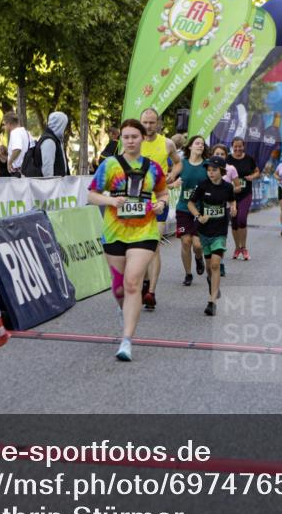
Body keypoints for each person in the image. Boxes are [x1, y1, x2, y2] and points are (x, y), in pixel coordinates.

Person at [87, 118, 170, 362]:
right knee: (120, 288)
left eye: (135, 136)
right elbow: (91, 194)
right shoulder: (110, 165)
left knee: (133, 282)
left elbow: (163, 192)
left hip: (145, 231)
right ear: (120, 139)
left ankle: (126, 341)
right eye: (126, 137)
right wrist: (111, 201)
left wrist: (161, 203)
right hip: (115, 232)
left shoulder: (153, 167)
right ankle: (123, 307)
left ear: (143, 138)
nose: (131, 141)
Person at [135, 107, 182, 310]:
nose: (148, 126)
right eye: (145, 122)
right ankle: (144, 283)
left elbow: (178, 163)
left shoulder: (167, 143)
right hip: (137, 202)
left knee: (153, 246)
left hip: (159, 200)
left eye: (152, 122)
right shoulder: (132, 141)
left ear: (159, 123)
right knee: (139, 248)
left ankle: (151, 292)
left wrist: (172, 174)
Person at [187, 156, 236, 316]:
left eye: (214, 170)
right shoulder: (202, 185)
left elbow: (232, 201)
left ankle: (211, 301)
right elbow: (190, 203)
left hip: (220, 230)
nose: (211, 173)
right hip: (204, 230)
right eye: (208, 170)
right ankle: (212, 283)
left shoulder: (227, 187)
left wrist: (233, 209)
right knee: (209, 267)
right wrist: (199, 216)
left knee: (215, 264)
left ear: (221, 171)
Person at [171, 135, 209, 286]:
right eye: (197, 143)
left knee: (198, 245)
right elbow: (167, 183)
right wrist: (173, 183)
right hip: (183, 208)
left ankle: (199, 258)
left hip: (201, 209)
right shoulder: (182, 164)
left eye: (202, 144)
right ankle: (188, 274)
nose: (200, 146)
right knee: (186, 242)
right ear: (190, 147)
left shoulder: (207, 166)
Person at [226, 137, 260, 260]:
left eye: (240, 146)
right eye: (235, 146)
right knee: (234, 223)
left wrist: (252, 176)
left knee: (241, 219)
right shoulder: (228, 159)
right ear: (232, 146)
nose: (238, 148)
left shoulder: (249, 159)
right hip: (232, 194)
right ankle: (237, 248)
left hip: (245, 193)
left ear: (243, 146)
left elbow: (257, 171)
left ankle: (244, 248)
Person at [210, 144, 238, 278]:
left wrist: (229, 191)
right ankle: (210, 259)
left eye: (222, 154)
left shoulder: (231, 169)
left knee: (221, 236)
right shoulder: (208, 168)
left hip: (224, 208)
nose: (219, 156)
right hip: (208, 208)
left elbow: (237, 187)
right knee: (208, 236)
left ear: (226, 156)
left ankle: (219, 262)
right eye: (217, 153)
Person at [39, 111, 70, 178]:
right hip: (54, 186)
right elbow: (47, 170)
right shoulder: (49, 141)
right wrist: (51, 186)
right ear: (60, 125)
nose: (65, 128)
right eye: (64, 125)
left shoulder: (55, 139)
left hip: (58, 185)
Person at [4, 112, 31, 177]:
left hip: (18, 173)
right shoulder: (25, 132)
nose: (4, 127)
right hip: (25, 171)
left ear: (9, 124)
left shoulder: (15, 132)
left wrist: (9, 163)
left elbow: (17, 149)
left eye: (4, 124)